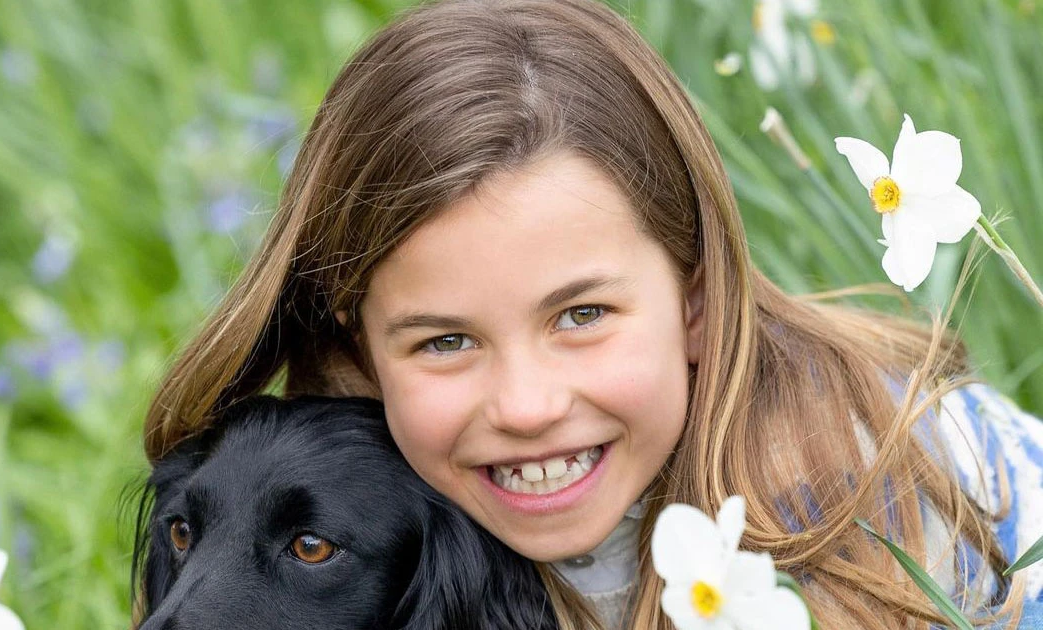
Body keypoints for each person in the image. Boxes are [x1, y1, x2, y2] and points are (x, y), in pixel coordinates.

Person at [140, 0, 1043, 628]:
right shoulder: (371, 493)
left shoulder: (894, 487)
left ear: (698, 301)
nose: (527, 406)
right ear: (361, 351)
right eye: (446, 340)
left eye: (581, 315)